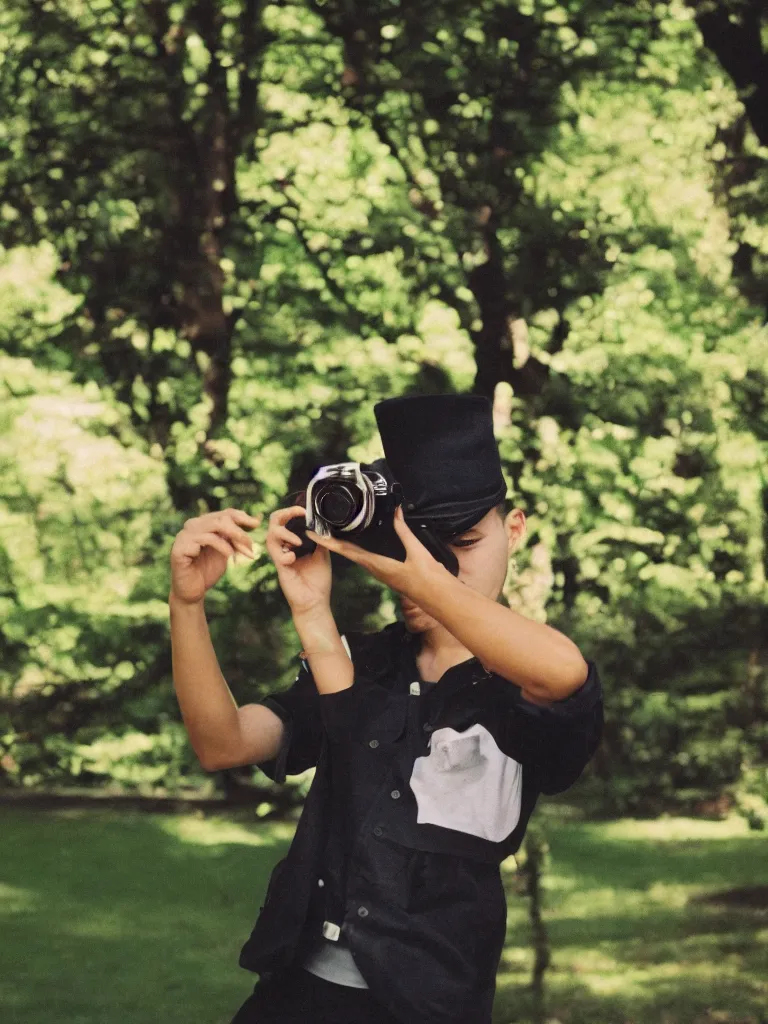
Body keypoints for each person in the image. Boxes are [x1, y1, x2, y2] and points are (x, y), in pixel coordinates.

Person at [168, 394, 604, 1024]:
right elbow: (225, 743)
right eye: (417, 545)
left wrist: (422, 574)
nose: (432, 566)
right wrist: (187, 606)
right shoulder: (364, 664)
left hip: (425, 1004)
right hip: (294, 994)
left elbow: (565, 673)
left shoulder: (519, 679)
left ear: (514, 531)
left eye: (461, 541)